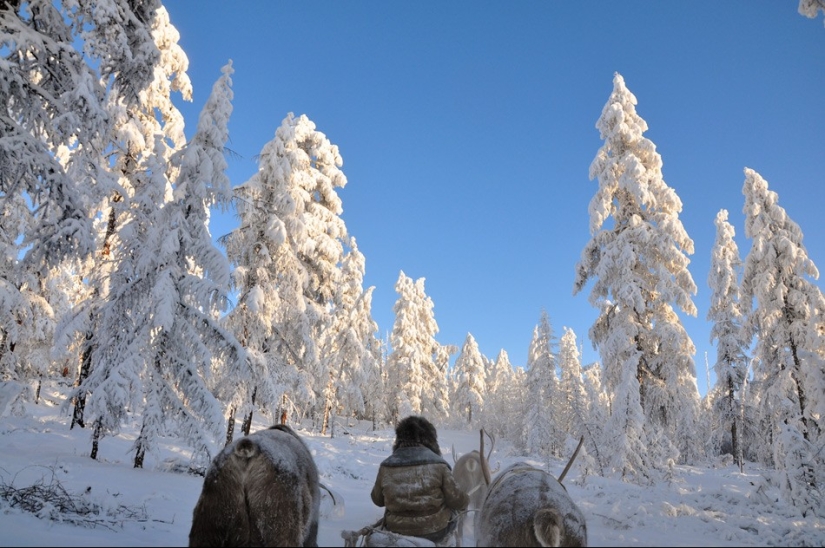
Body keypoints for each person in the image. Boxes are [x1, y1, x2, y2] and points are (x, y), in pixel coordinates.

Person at [370, 415, 469, 545]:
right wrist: (466, 499)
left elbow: (377, 500)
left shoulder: (386, 466)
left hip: (396, 529)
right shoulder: (439, 465)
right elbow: (456, 500)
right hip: (436, 530)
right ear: (431, 440)